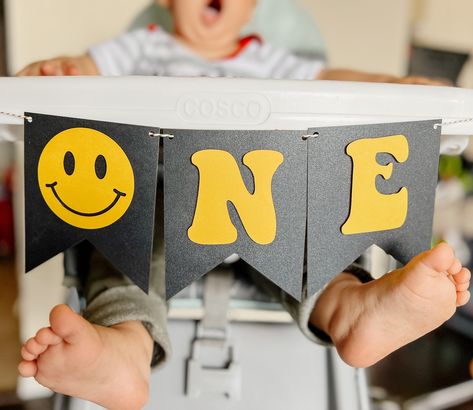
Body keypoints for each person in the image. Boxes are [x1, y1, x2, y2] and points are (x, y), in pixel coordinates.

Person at [17, 1, 471, 409]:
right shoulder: (142, 48)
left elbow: (335, 80)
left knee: (310, 234)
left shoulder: (266, 58)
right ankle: (125, 349)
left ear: (252, 8)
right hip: (156, 195)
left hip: (262, 197)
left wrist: (391, 84)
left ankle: (348, 309)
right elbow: (84, 70)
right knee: (121, 243)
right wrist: (57, 72)